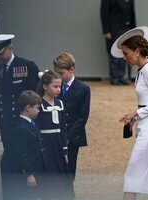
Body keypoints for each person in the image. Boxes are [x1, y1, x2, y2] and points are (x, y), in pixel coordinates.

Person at [0, 34, 40, 200]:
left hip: (26, 126)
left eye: (1, 53)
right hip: (7, 126)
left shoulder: (27, 66)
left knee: (26, 162)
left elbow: (38, 96)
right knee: (9, 164)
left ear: (10, 48)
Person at [111, 26, 148, 200]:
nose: (125, 58)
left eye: (126, 53)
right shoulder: (142, 71)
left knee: (132, 176)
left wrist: (137, 113)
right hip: (146, 127)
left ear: (137, 51)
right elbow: (147, 102)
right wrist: (135, 116)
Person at [53, 52, 90, 196]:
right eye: (55, 73)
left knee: (68, 175)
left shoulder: (83, 89)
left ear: (72, 70)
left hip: (71, 138)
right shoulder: (53, 86)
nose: (57, 77)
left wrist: (68, 137)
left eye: (61, 73)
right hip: (54, 136)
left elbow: (82, 117)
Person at [36, 70, 74, 200]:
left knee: (61, 178)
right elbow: (37, 129)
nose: (59, 89)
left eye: (60, 86)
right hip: (46, 146)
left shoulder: (60, 104)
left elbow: (63, 129)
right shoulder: (39, 105)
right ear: (45, 86)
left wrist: (65, 151)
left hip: (58, 145)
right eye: (55, 86)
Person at [13, 90, 45, 200]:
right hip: (29, 172)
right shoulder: (22, 128)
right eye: (37, 108)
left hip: (36, 169)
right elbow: (22, 154)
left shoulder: (30, 122)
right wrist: (29, 174)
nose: (38, 111)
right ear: (28, 108)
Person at [100, 0, 136, 85]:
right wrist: (106, 31)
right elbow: (104, 13)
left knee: (124, 53)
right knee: (113, 53)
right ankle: (114, 78)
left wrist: (134, 31)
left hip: (126, 28)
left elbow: (132, 14)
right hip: (113, 30)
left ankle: (121, 77)